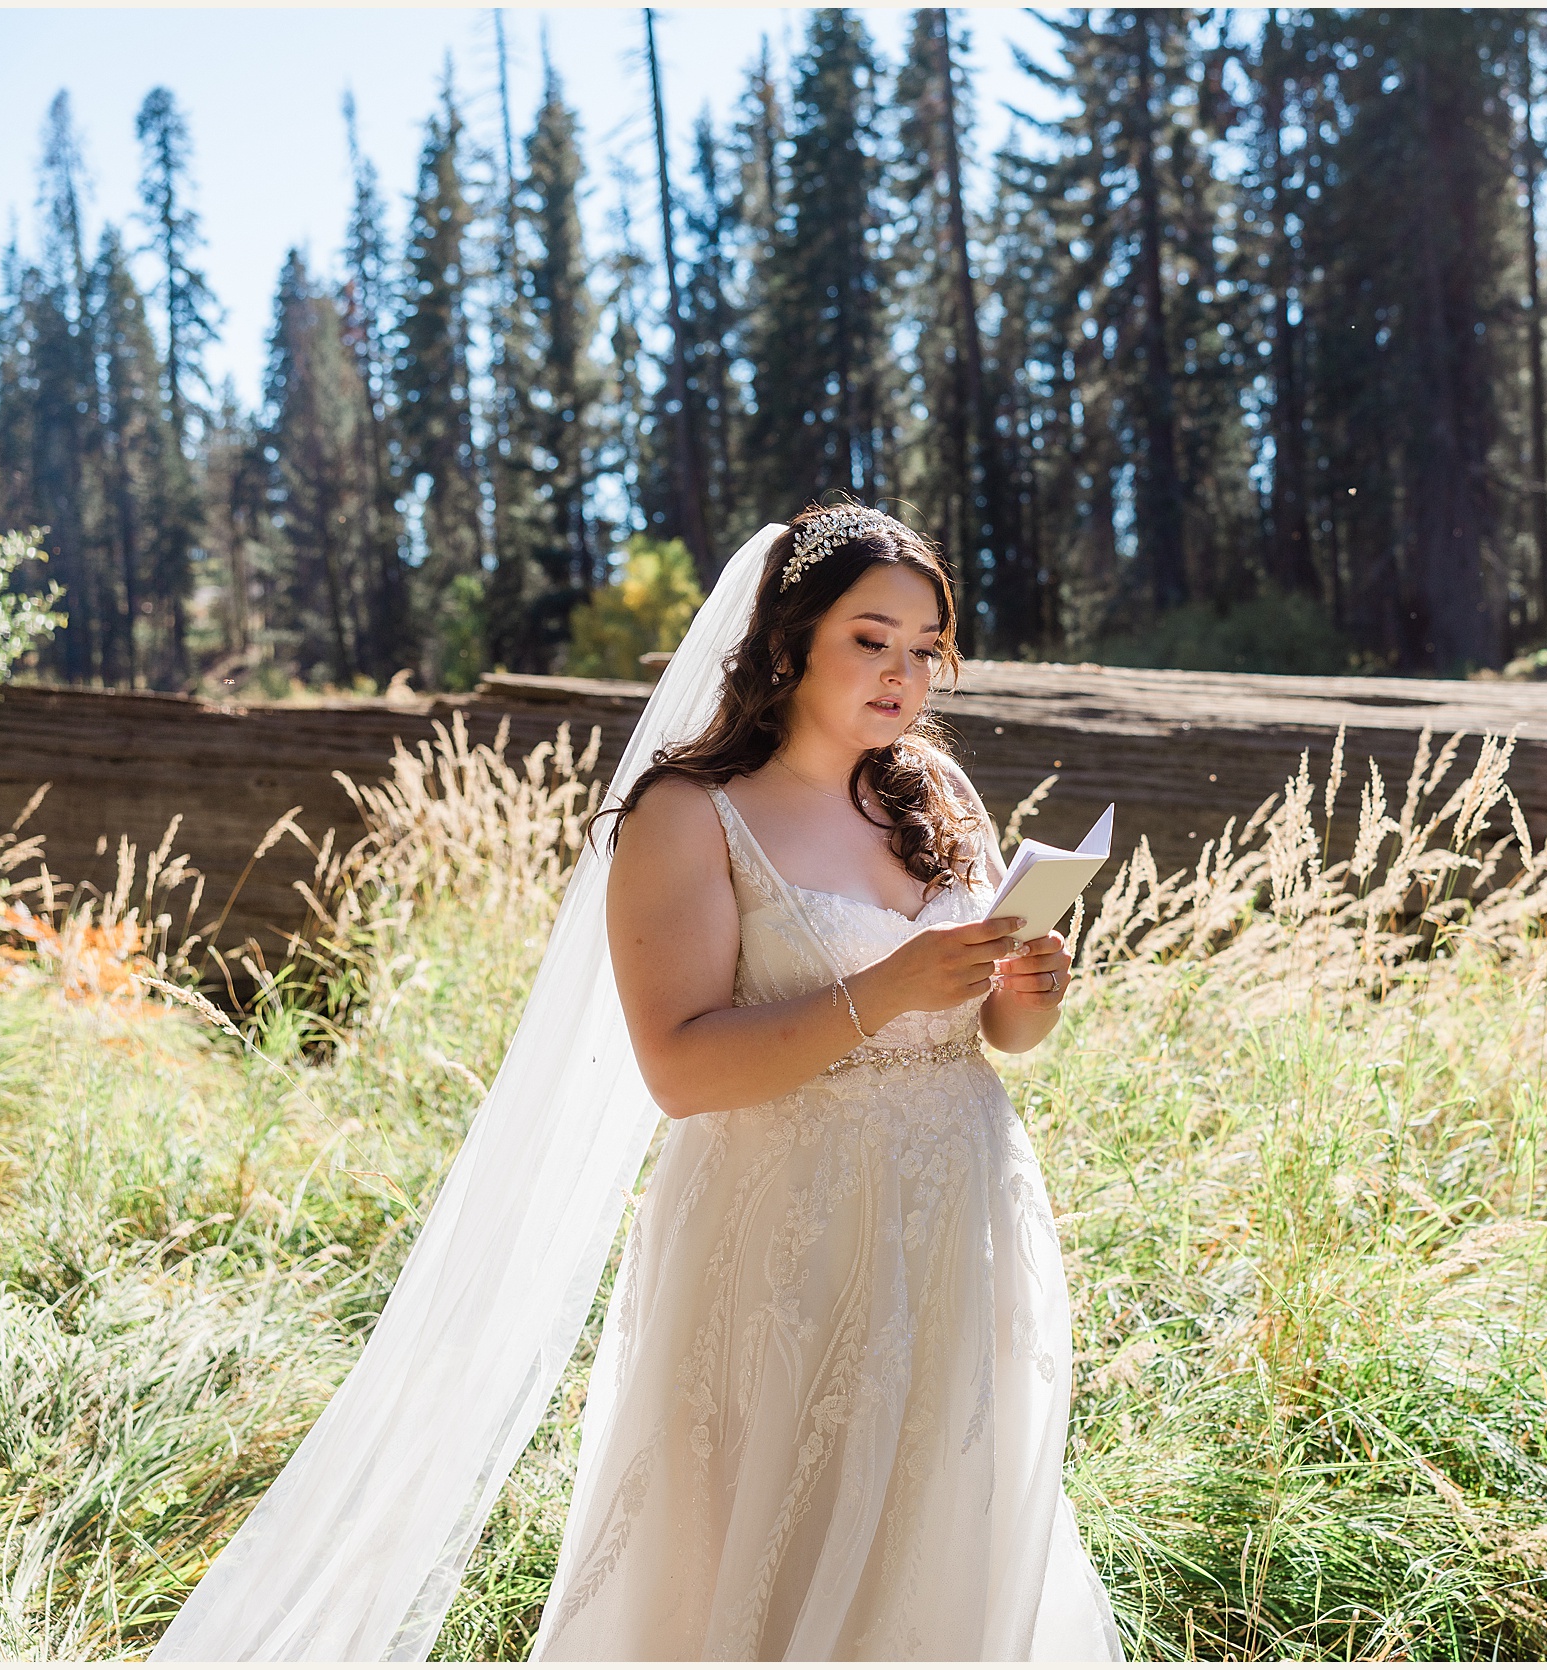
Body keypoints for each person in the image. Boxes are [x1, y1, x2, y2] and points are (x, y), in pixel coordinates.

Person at [150, 509, 1120, 1663]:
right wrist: (894, 984)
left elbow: (1001, 1033)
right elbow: (679, 1065)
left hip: (967, 1218)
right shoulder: (687, 813)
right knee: (763, 1539)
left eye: (927, 646)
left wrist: (1033, 981)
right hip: (789, 1234)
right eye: (871, 638)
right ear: (786, 641)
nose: (904, 673)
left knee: (946, 1526)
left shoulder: (935, 792)